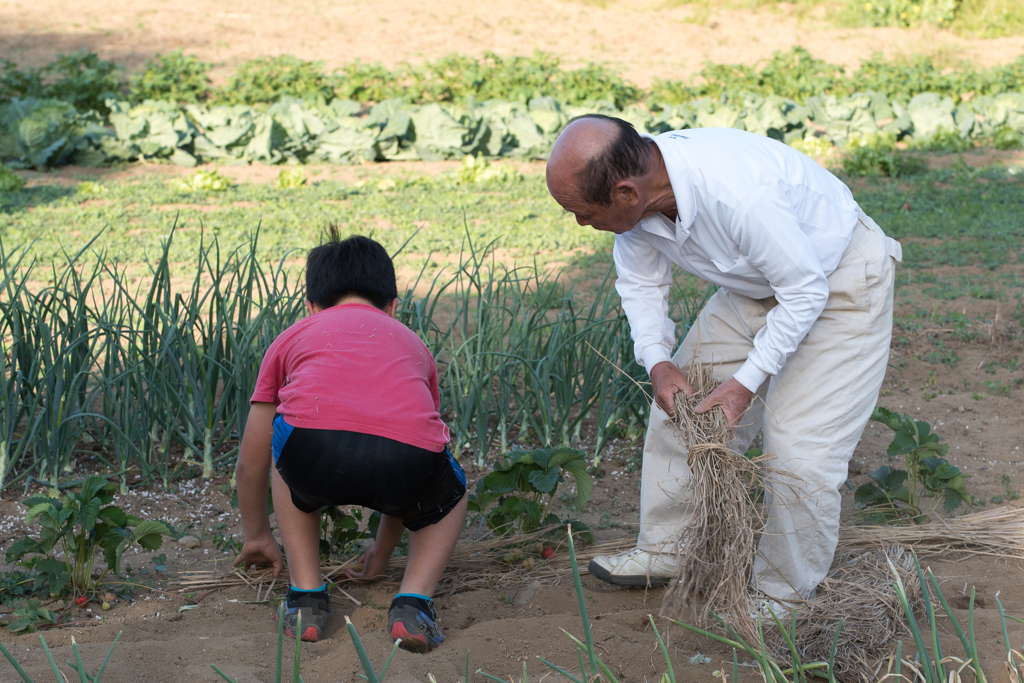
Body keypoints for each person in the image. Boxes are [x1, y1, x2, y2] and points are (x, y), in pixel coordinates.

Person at [545, 115, 902, 610]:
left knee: (800, 450)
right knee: (682, 403)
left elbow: (804, 292)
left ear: (626, 193)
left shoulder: (737, 192)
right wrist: (658, 362)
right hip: (759, 285)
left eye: (582, 212)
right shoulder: (637, 201)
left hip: (837, 280)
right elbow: (642, 284)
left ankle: (782, 596)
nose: (581, 222)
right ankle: (668, 548)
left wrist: (744, 384)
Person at [233, 230, 467, 652]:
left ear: (310, 308)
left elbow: (251, 461)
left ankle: (305, 596)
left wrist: (257, 534)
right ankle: (414, 602)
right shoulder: (415, 345)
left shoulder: (291, 337)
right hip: (408, 459)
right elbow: (416, 437)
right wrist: (381, 551)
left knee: (284, 449)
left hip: (313, 455)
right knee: (449, 491)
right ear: (393, 307)